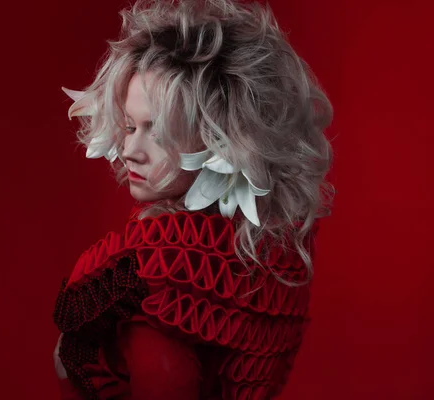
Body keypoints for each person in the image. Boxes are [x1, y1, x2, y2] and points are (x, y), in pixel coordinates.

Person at [53, 0, 333, 399]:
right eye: (130, 126)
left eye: (159, 132)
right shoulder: (266, 253)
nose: (131, 149)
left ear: (223, 137)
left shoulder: (155, 273)